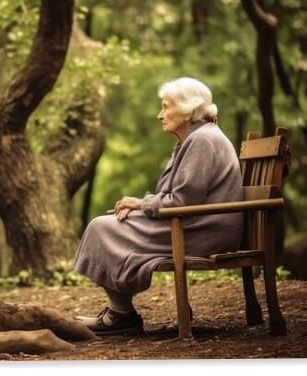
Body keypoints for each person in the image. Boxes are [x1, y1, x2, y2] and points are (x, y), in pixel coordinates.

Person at [73, 77, 244, 335]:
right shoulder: (195, 138)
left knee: (101, 228)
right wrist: (141, 207)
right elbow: (180, 197)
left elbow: (182, 201)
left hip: (201, 230)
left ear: (187, 110)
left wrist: (142, 204)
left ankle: (121, 315)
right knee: (108, 225)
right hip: (194, 223)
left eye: (166, 107)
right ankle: (120, 313)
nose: (159, 114)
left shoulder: (202, 141)